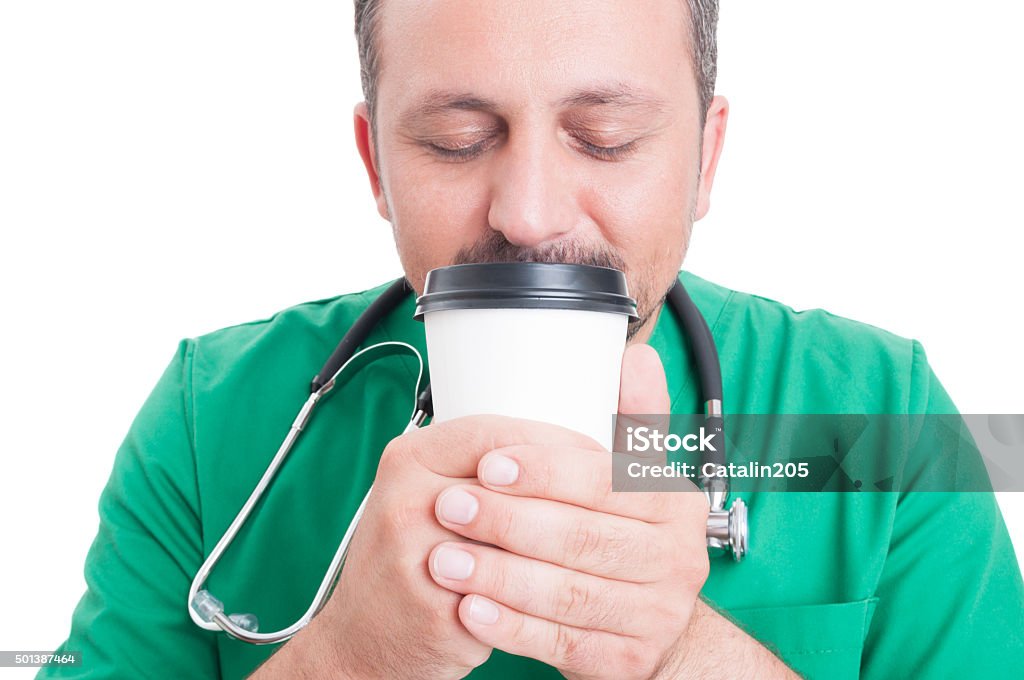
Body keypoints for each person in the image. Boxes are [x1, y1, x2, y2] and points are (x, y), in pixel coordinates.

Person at [43, 0, 1023, 678]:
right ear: (374, 161)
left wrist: (677, 649)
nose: (526, 213)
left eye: (604, 135)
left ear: (704, 159)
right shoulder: (208, 416)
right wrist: (356, 655)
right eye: (456, 140)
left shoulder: (878, 416)